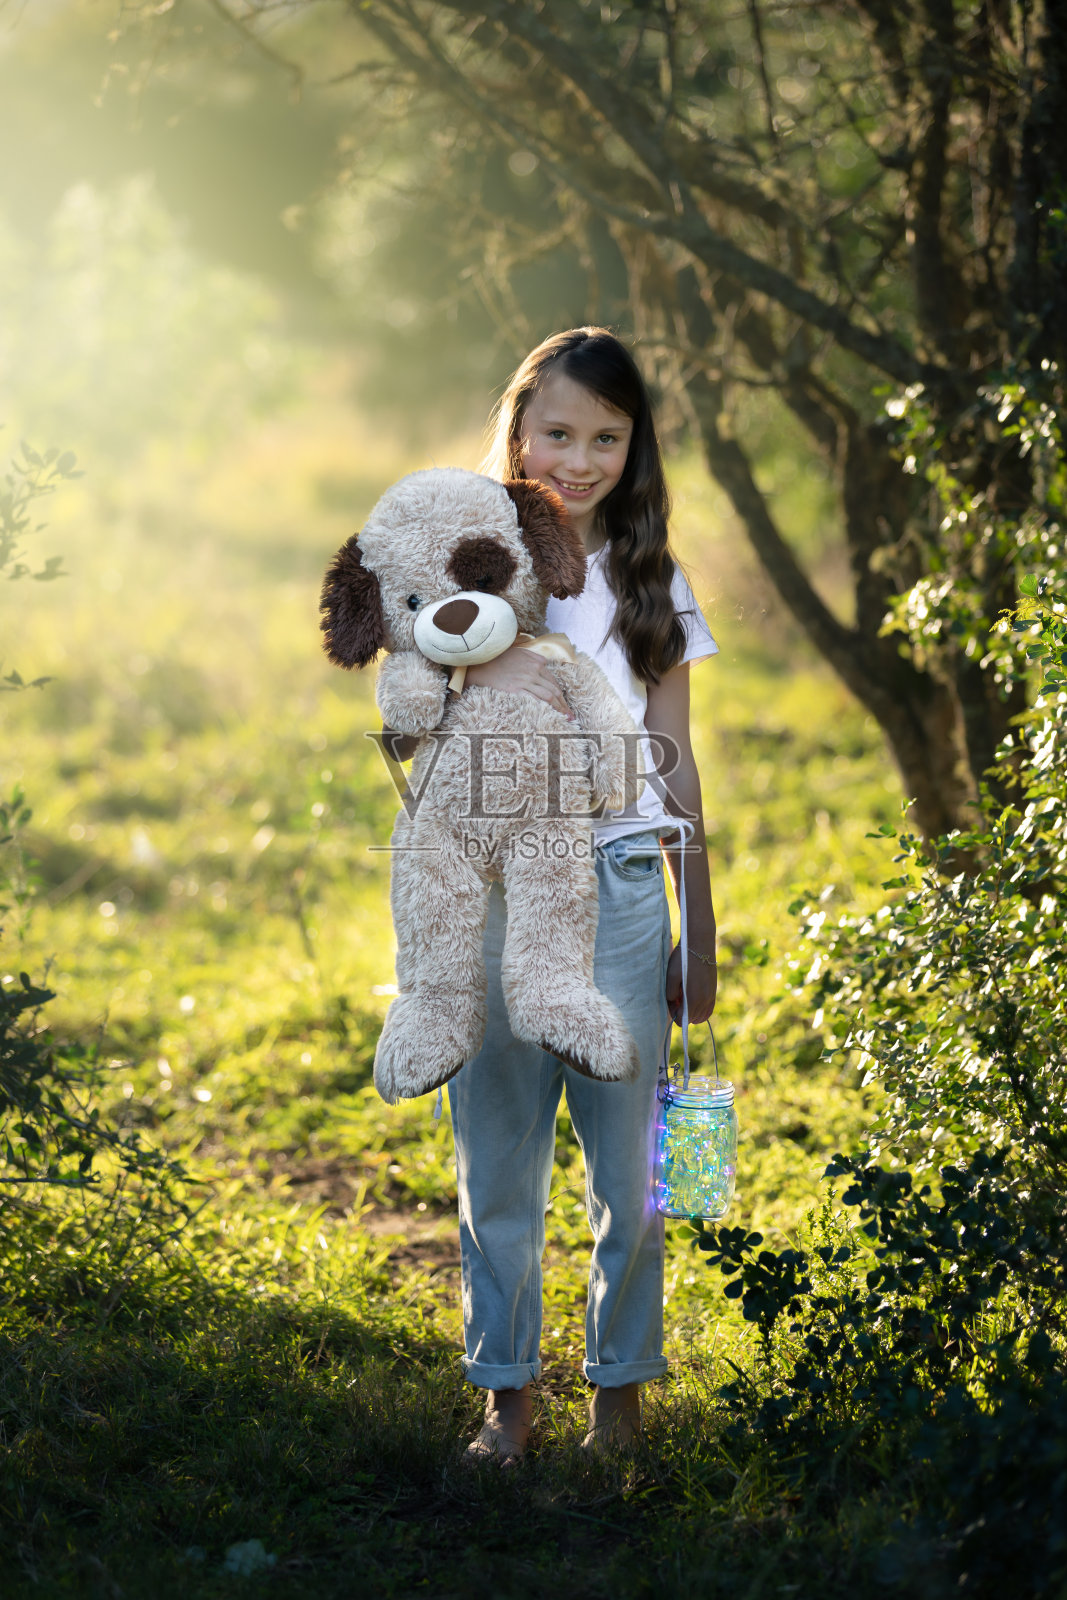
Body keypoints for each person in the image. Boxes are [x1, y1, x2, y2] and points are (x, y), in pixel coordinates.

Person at [442, 327, 719, 1464]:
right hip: (503, 893)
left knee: (629, 1179)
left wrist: (698, 927)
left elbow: (674, 759)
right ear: (516, 429)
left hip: (617, 896)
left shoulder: (651, 579)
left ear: (632, 447)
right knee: (497, 1162)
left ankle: (620, 1399)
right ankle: (505, 1401)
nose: (580, 457)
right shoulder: (467, 567)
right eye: (557, 431)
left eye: (606, 436)